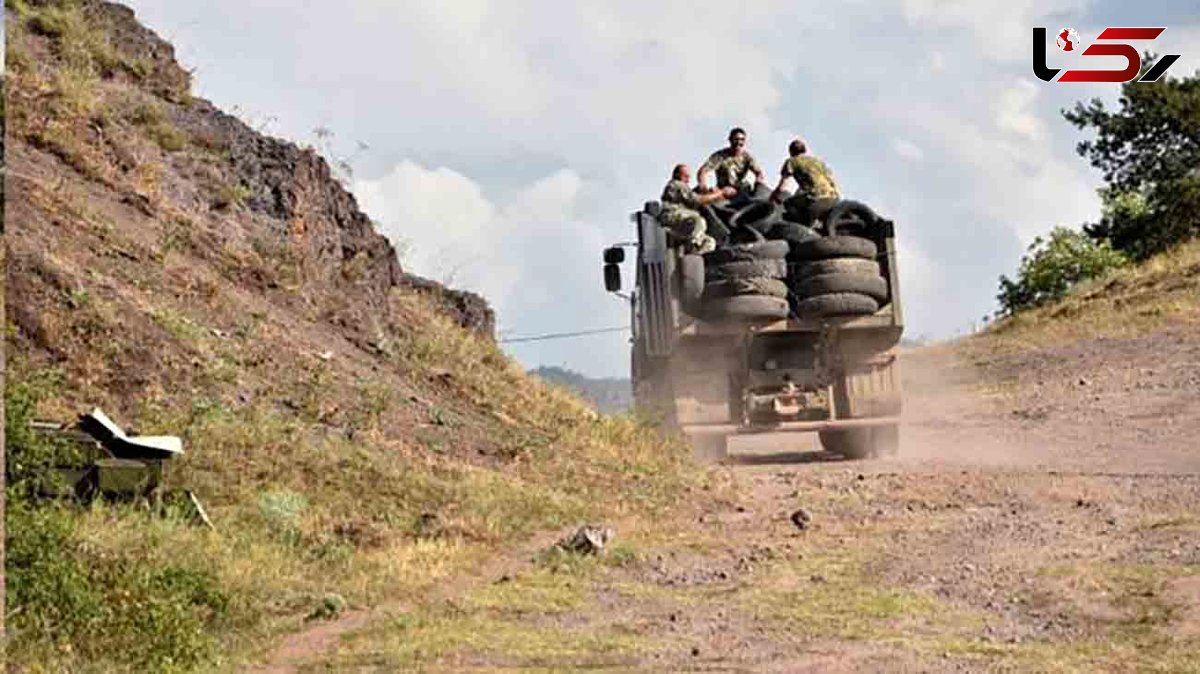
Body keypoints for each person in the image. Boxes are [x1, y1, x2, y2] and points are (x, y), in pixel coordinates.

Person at [660, 164, 735, 253]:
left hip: (684, 221)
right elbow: (697, 200)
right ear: (677, 175)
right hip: (672, 216)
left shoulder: (685, 188)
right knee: (699, 221)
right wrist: (721, 193)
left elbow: (700, 196)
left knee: (710, 242)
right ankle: (694, 245)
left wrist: (716, 194)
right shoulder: (676, 184)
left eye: (688, 177)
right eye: (685, 176)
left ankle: (695, 256)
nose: (688, 180)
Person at [770, 138, 841, 226]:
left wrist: (772, 198)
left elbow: (782, 187)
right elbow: (832, 181)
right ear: (805, 150)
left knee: (789, 203)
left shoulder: (792, 161)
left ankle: (802, 226)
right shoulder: (818, 161)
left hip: (815, 198)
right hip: (834, 198)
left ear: (791, 152)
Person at [697, 127, 767, 195]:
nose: (739, 142)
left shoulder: (747, 157)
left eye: (742, 139)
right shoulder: (720, 156)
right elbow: (703, 171)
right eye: (736, 139)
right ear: (730, 140)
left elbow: (759, 173)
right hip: (723, 191)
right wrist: (703, 188)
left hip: (741, 191)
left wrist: (758, 183)